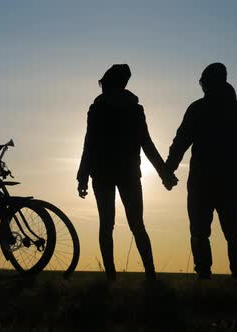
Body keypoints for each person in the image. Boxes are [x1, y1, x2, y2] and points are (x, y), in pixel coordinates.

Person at [77, 64, 177, 281]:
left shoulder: (97, 109)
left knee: (106, 224)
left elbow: (89, 144)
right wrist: (164, 173)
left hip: (102, 173)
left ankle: (111, 275)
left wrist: (82, 175)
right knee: (137, 224)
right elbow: (146, 144)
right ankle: (150, 274)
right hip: (129, 173)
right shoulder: (134, 109)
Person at [163, 63, 237, 279]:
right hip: (226, 183)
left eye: (204, 83)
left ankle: (207, 276)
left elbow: (180, 143)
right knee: (231, 232)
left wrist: (169, 171)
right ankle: (236, 278)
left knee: (204, 233)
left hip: (206, 183)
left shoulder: (199, 109)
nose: (203, 87)